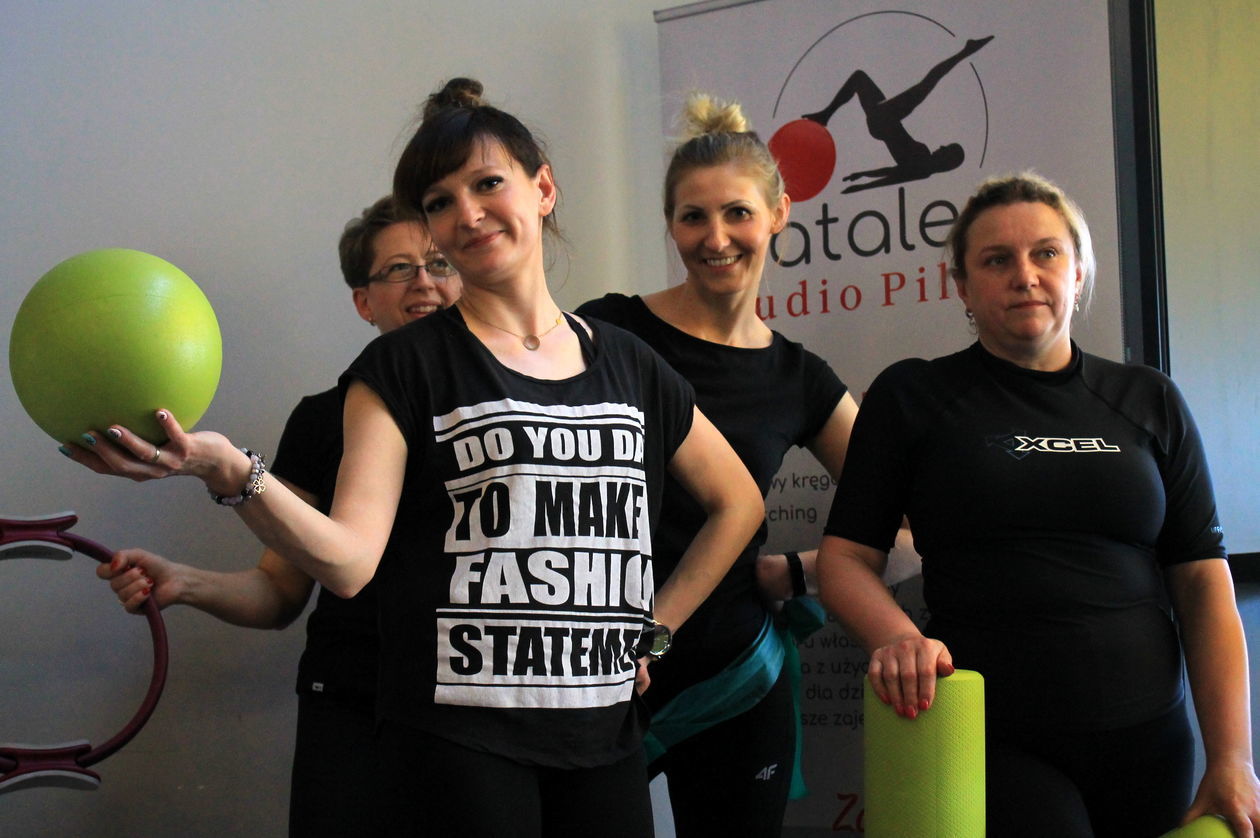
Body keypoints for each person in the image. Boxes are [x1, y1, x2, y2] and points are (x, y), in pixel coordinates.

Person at [66, 77, 763, 837]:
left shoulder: (629, 363)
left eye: (488, 184)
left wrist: (655, 628)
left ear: (543, 189)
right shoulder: (403, 368)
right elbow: (349, 564)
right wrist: (229, 469)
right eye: (440, 201)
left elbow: (738, 504)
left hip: (606, 729)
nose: (467, 213)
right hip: (458, 741)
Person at [816, 172, 1260, 837]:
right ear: (962, 287)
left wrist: (1232, 756)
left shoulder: (1149, 399)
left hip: (1151, 739)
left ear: (1078, 272)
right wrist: (898, 637)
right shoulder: (914, 397)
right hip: (999, 739)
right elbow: (846, 559)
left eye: (1046, 253)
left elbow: (1202, 581)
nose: (1024, 275)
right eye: (997, 260)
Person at [91, 196, 460, 836]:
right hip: (354, 710)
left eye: (440, 263)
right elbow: (278, 592)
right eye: (399, 269)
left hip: (479, 716)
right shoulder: (321, 419)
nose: (424, 281)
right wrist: (184, 583)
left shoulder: (516, 407)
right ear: (364, 301)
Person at [577, 93, 858, 837]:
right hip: (598, 674)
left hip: (733, 678)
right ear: (670, 225)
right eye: (692, 217)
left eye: (738, 213)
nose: (716, 237)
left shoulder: (800, 378)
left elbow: (903, 512)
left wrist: (797, 571)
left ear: (779, 214)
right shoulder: (607, 330)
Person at [802, 36, 993, 193]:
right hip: (884, 120)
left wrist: (862, 186)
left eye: (946, 149)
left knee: (926, 85)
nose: (942, 147)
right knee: (860, 78)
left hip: (885, 121)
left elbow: (893, 177)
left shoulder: (924, 168)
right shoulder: (924, 164)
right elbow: (893, 172)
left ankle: (966, 51)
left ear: (948, 161)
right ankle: (825, 115)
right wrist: (863, 175)